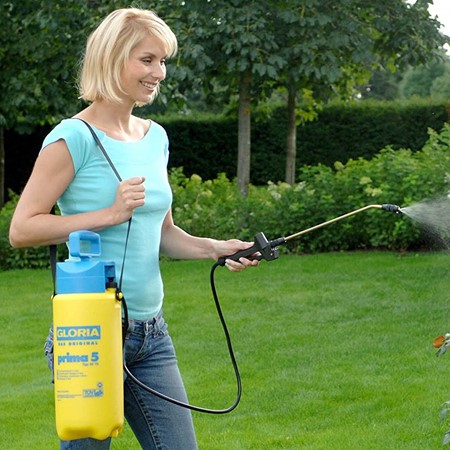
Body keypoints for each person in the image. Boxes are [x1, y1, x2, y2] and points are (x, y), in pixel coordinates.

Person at [9, 7, 258, 450]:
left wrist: (216, 248)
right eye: (147, 60)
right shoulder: (73, 137)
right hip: (89, 332)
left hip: (151, 334)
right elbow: (22, 229)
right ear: (112, 59)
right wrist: (108, 214)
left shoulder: (155, 137)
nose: (159, 73)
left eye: (162, 61)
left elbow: (164, 233)